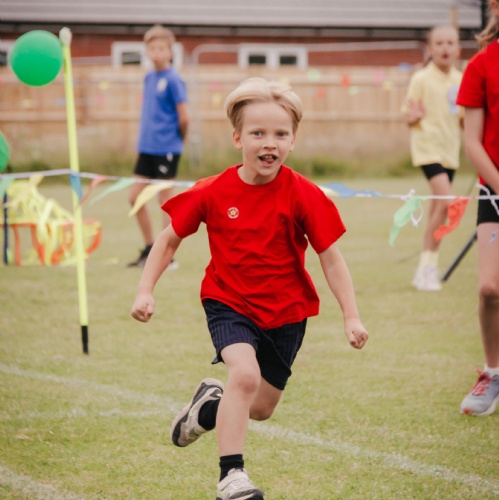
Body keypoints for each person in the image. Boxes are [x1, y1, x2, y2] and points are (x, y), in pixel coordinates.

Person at [131, 77, 369, 499]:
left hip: (287, 312)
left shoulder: (304, 194)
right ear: (237, 137)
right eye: (258, 133)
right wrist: (145, 290)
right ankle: (232, 477)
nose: (269, 143)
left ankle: (207, 408)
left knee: (260, 407)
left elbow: (330, 257)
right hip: (229, 301)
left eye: (280, 134)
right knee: (243, 375)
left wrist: (351, 315)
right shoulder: (212, 191)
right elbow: (167, 241)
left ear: (293, 140)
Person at [456, 0, 499, 416]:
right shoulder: (481, 65)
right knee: (489, 288)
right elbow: (472, 141)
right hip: (495, 193)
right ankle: (493, 371)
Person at [402, 25, 463, 291]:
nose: (445, 48)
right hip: (427, 150)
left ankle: (424, 268)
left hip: (450, 153)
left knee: (437, 209)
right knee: (446, 203)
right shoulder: (421, 79)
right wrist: (413, 117)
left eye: (450, 43)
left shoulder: (461, 80)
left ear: (458, 49)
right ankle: (429, 268)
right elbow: (408, 114)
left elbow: (464, 119)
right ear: (430, 49)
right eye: (439, 43)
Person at [127, 24, 189, 268]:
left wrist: (178, 141)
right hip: (146, 148)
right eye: (152, 49)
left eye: (161, 48)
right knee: (134, 197)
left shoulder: (174, 79)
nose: (156, 53)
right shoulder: (149, 77)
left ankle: (167, 256)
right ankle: (149, 248)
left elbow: (184, 117)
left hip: (167, 149)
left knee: (166, 203)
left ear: (170, 52)